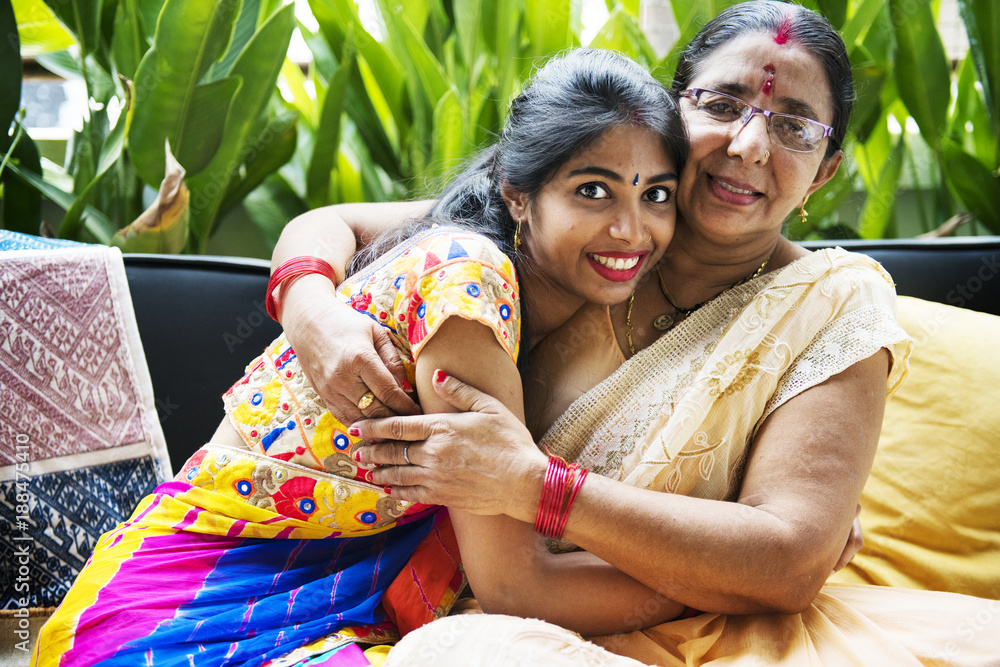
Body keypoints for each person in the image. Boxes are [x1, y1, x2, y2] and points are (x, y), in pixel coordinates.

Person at [271, 3, 1000, 666]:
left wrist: (537, 486)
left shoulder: (831, 305)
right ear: (672, 112)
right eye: (722, 104)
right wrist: (311, 312)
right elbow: (344, 223)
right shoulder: (589, 227)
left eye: (794, 126)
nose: (748, 145)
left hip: (712, 632)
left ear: (824, 171)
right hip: (478, 603)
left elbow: (787, 561)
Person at [32, 49, 691, 666]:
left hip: (263, 598)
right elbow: (518, 587)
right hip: (177, 618)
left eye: (656, 194)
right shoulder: (469, 285)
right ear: (518, 193)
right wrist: (712, 580)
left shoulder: (497, 235)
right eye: (594, 192)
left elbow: (331, 221)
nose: (632, 230)